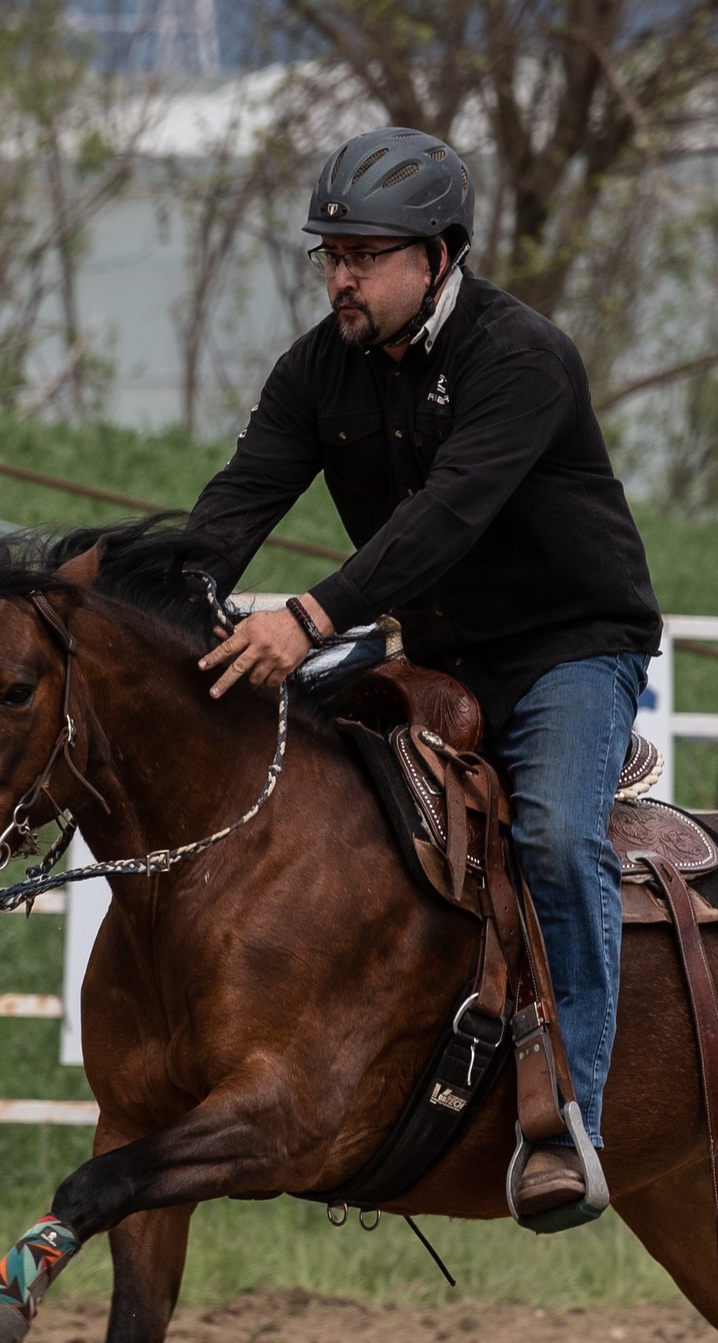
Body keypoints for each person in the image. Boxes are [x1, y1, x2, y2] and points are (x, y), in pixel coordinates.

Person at [185, 125, 662, 1223]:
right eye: (328, 254)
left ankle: (571, 1124)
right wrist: (149, 602)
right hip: (433, 651)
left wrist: (305, 620)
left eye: (361, 254)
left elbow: (445, 522)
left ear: (436, 257)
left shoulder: (521, 356)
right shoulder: (317, 368)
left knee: (549, 834)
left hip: (568, 649)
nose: (338, 276)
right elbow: (238, 500)